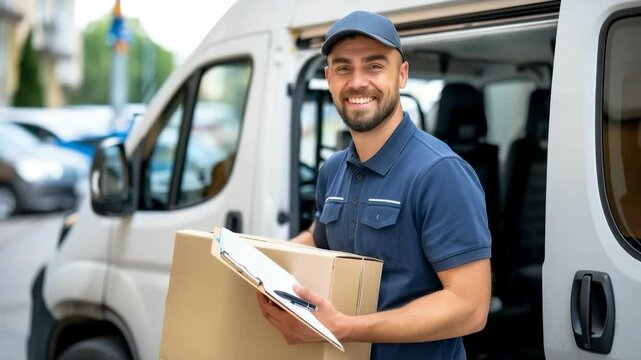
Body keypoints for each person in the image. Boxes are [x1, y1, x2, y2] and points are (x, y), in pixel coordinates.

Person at [257, 10, 492, 359]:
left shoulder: (440, 172)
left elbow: (470, 307)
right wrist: (259, 262)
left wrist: (342, 327)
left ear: (402, 75)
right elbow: (319, 237)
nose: (357, 82)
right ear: (329, 78)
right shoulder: (333, 169)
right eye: (343, 68)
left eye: (374, 66)